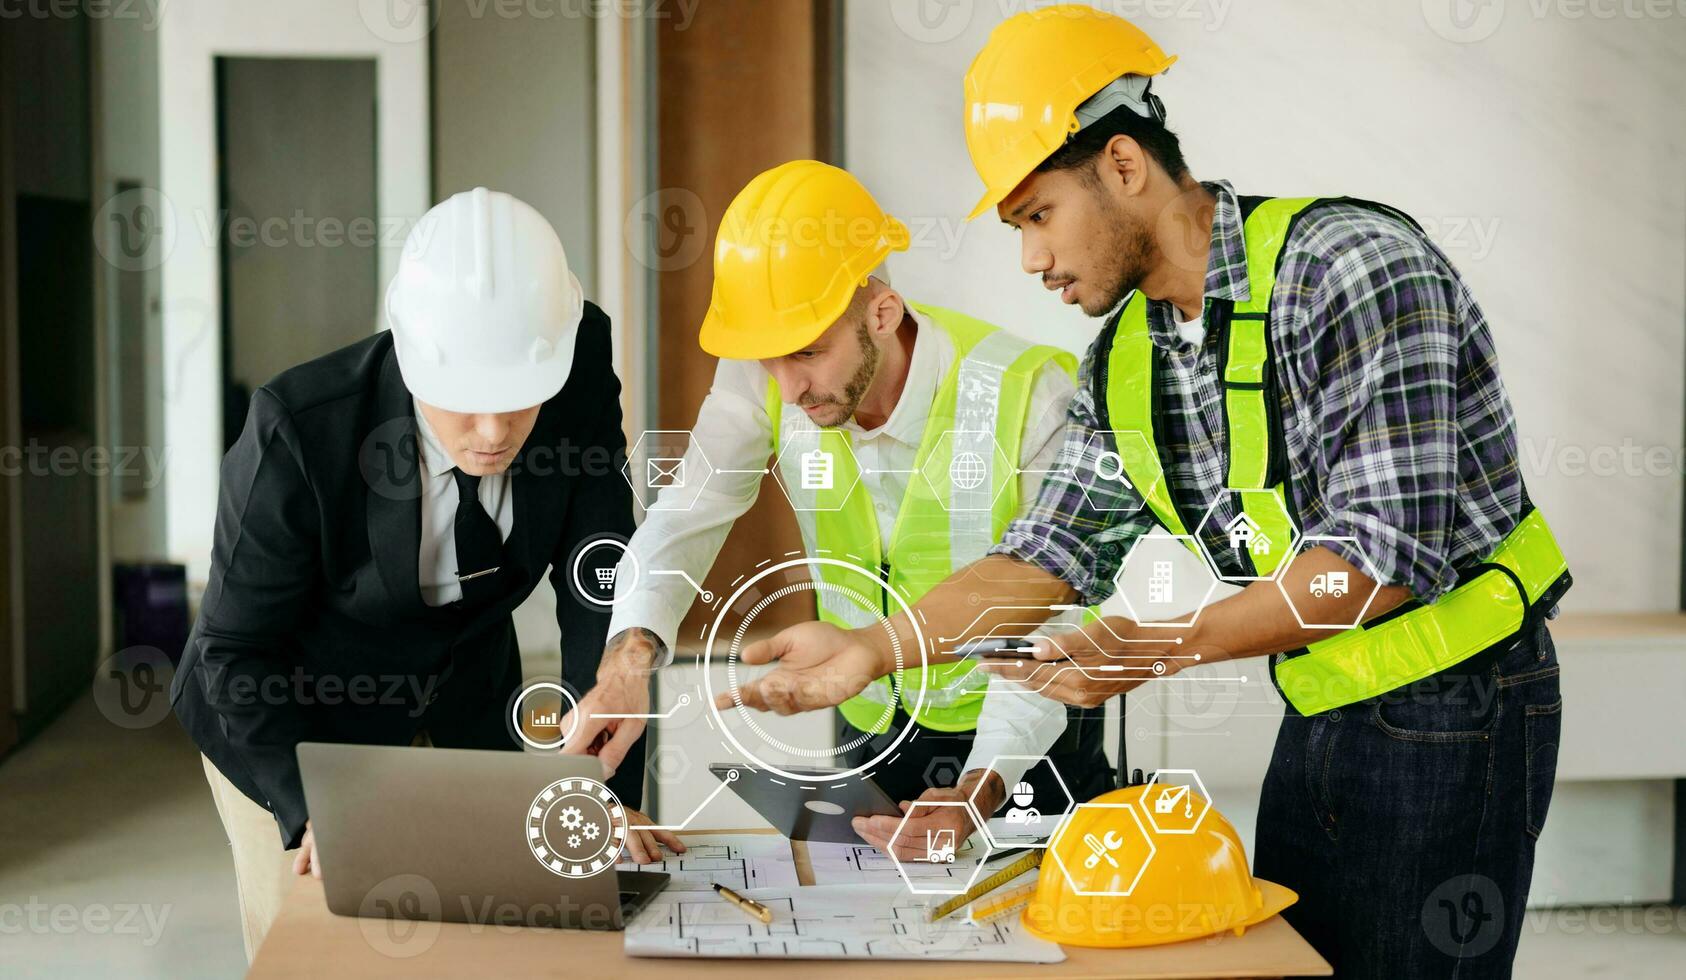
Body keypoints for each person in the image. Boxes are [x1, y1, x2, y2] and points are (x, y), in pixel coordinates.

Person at [716, 8, 1571, 977]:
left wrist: (1157, 646)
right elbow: (1044, 556)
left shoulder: (1351, 268)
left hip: (1461, 700)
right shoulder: (1128, 361)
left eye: (1038, 215)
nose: (1032, 260)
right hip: (1322, 703)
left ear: (1123, 166)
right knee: (1293, 962)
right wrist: (872, 649)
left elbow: (1379, 565)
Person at [172, 187, 679, 961]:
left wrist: (600, 791)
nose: (492, 433)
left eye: (517, 403)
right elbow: (235, 654)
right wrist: (316, 813)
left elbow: (595, 579)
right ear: (412, 357)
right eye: (465, 404)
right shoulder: (300, 432)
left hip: (466, 697)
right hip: (294, 718)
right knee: (323, 949)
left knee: (490, 936)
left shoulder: (570, 369)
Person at [561, 160, 1112, 859]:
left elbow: (1055, 614)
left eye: (809, 353)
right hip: (875, 729)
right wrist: (626, 667)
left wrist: (981, 786)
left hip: (1030, 745)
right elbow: (686, 513)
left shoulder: (1030, 394)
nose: (788, 389)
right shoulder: (768, 371)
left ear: (881, 312)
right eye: (769, 360)